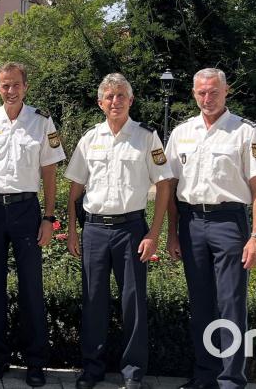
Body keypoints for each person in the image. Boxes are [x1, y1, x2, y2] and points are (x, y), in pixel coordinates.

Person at [64, 74, 173, 389]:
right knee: (93, 300)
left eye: (121, 95)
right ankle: (92, 369)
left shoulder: (146, 137)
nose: (115, 101)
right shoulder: (89, 139)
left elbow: (164, 186)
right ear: (100, 103)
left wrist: (154, 232)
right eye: (109, 96)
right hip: (95, 230)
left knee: (133, 303)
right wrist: (73, 230)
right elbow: (75, 189)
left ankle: (133, 372)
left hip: (131, 230)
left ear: (131, 100)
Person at [164, 68, 256, 389]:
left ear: (226, 92)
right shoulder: (181, 133)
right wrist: (172, 232)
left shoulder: (246, 132)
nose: (207, 98)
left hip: (229, 223)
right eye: (201, 93)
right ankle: (205, 376)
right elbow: (169, 187)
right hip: (191, 223)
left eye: (213, 92)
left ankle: (230, 380)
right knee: (200, 304)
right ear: (193, 93)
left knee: (231, 304)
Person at [0, 62, 65, 387]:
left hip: (26, 211)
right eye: (5, 86)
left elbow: (50, 172)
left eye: (16, 85)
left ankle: (35, 362)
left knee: (31, 289)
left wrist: (49, 218)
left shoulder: (41, 121)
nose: (10, 91)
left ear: (25, 86)